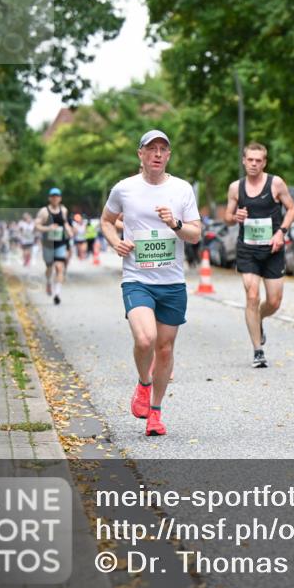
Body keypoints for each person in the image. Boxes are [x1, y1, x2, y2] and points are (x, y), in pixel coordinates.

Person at [100, 129, 200, 437]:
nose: (157, 153)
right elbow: (105, 220)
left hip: (172, 282)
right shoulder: (124, 189)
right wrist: (115, 241)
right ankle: (144, 383)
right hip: (137, 279)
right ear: (140, 154)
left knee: (165, 349)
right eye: (151, 148)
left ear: (168, 156)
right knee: (145, 340)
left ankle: (155, 412)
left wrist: (175, 223)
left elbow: (195, 233)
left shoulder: (182, 190)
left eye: (162, 149)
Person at [224, 142, 294, 368]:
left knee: (274, 302)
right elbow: (227, 216)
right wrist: (234, 216)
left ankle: (260, 318)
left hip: (273, 249)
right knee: (252, 296)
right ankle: (258, 350)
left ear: (264, 162)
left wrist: (281, 233)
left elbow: (292, 209)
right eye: (250, 160)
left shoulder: (275, 183)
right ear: (244, 161)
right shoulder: (236, 187)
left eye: (259, 160)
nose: (254, 164)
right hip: (247, 250)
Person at [35, 188, 74, 305]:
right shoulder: (44, 211)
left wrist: (69, 231)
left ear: (60, 198)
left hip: (60, 243)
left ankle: (57, 293)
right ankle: (48, 282)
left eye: (57, 196)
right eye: (53, 196)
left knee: (59, 267)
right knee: (49, 267)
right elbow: (37, 225)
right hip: (48, 244)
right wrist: (48, 228)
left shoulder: (64, 210)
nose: (55, 198)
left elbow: (65, 222)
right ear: (49, 198)